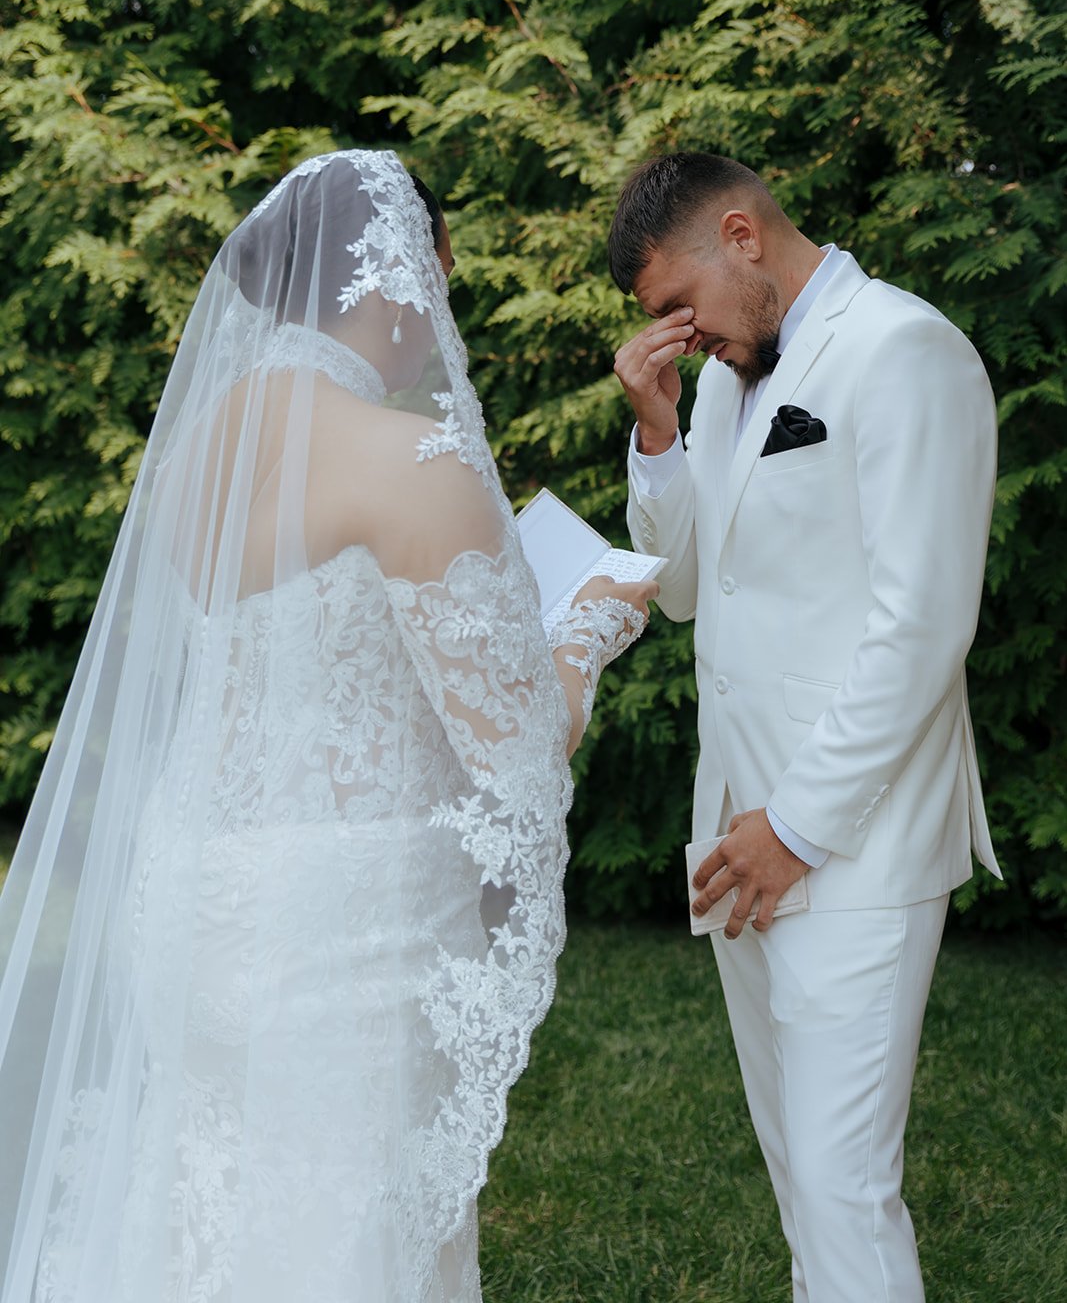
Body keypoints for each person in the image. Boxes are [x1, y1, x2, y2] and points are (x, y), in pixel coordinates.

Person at [0, 149, 656, 1303]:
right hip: (343, 935)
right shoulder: (414, 461)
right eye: (442, 278)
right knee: (345, 1225)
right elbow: (516, 742)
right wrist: (589, 626)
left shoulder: (195, 452)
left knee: (205, 1179)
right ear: (401, 272)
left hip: (195, 892)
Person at [609, 150, 1000, 1303]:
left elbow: (920, 626)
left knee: (841, 1188)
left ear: (740, 234)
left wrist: (795, 823)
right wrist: (657, 434)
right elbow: (684, 588)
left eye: (676, 305)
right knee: (799, 1181)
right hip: (740, 839)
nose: (681, 333)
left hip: (849, 838)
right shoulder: (729, 377)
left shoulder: (902, 350)